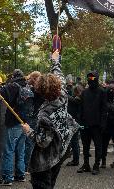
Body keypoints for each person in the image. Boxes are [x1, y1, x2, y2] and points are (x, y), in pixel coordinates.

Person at [22, 50, 79, 189]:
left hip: (46, 160)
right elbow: (59, 75)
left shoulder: (44, 114)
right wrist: (55, 60)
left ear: (40, 92)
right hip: (60, 151)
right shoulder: (63, 95)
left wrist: (29, 131)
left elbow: (42, 142)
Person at [0, 69, 28, 186]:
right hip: (24, 123)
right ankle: (20, 175)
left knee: (9, 150)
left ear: (13, 76)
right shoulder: (27, 87)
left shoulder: (14, 86)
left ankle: (7, 178)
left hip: (14, 122)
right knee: (20, 150)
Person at [77, 70, 107, 175]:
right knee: (85, 145)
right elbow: (81, 107)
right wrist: (80, 121)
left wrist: (103, 123)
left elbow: (104, 109)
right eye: (89, 78)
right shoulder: (84, 92)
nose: (91, 80)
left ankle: (96, 165)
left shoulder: (102, 92)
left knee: (98, 145)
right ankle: (86, 164)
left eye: (93, 78)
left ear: (97, 79)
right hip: (85, 123)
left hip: (97, 124)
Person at [24, 71, 44, 172]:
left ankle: (28, 165)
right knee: (38, 141)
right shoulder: (43, 88)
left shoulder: (34, 89)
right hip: (41, 116)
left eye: (31, 78)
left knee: (30, 142)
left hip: (33, 117)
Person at [66, 84, 84, 166]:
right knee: (75, 141)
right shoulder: (81, 99)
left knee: (74, 141)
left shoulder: (77, 100)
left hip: (75, 122)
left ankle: (75, 160)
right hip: (77, 121)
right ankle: (75, 159)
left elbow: (70, 99)